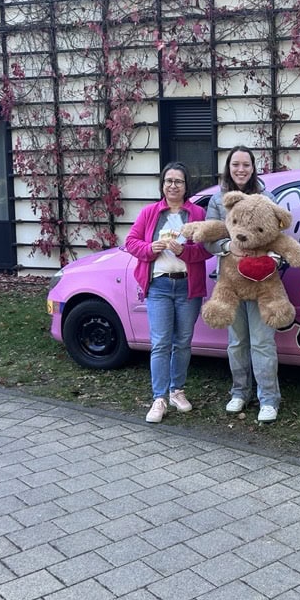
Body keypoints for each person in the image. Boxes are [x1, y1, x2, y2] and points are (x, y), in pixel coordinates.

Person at [126, 162, 211, 423]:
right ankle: (159, 398)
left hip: (187, 286)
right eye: (169, 181)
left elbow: (207, 249)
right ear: (163, 185)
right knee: (161, 343)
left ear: (186, 186)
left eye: (179, 181)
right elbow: (131, 243)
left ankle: (177, 391)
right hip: (160, 286)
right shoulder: (150, 212)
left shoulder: (196, 213)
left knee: (183, 342)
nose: (173, 185)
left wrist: (183, 251)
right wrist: (151, 248)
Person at [203, 145, 281, 423]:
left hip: (263, 283)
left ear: (253, 167)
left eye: (245, 164)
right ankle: (240, 392)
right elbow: (209, 238)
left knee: (262, 343)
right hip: (231, 282)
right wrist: (229, 246)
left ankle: (269, 399)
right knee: (237, 343)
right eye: (235, 164)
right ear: (228, 167)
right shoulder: (218, 200)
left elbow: (278, 237)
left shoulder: (267, 197)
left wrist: (272, 257)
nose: (240, 169)